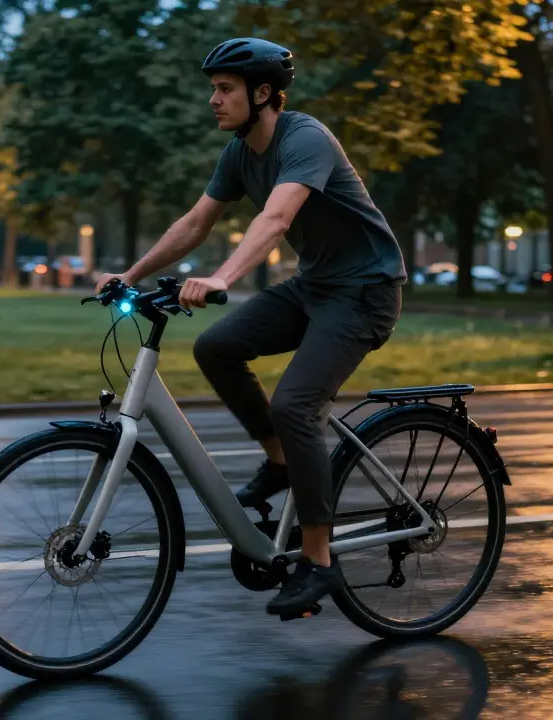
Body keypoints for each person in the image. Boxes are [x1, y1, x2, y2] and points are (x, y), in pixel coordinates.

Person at [96, 38, 406, 618]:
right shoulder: (240, 152)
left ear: (263, 93)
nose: (213, 100)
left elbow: (277, 217)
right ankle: (282, 461)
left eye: (225, 89)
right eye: (213, 88)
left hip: (365, 291)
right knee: (218, 346)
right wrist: (130, 274)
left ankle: (319, 562)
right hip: (317, 287)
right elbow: (195, 221)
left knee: (295, 404)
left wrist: (222, 277)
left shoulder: (305, 139)